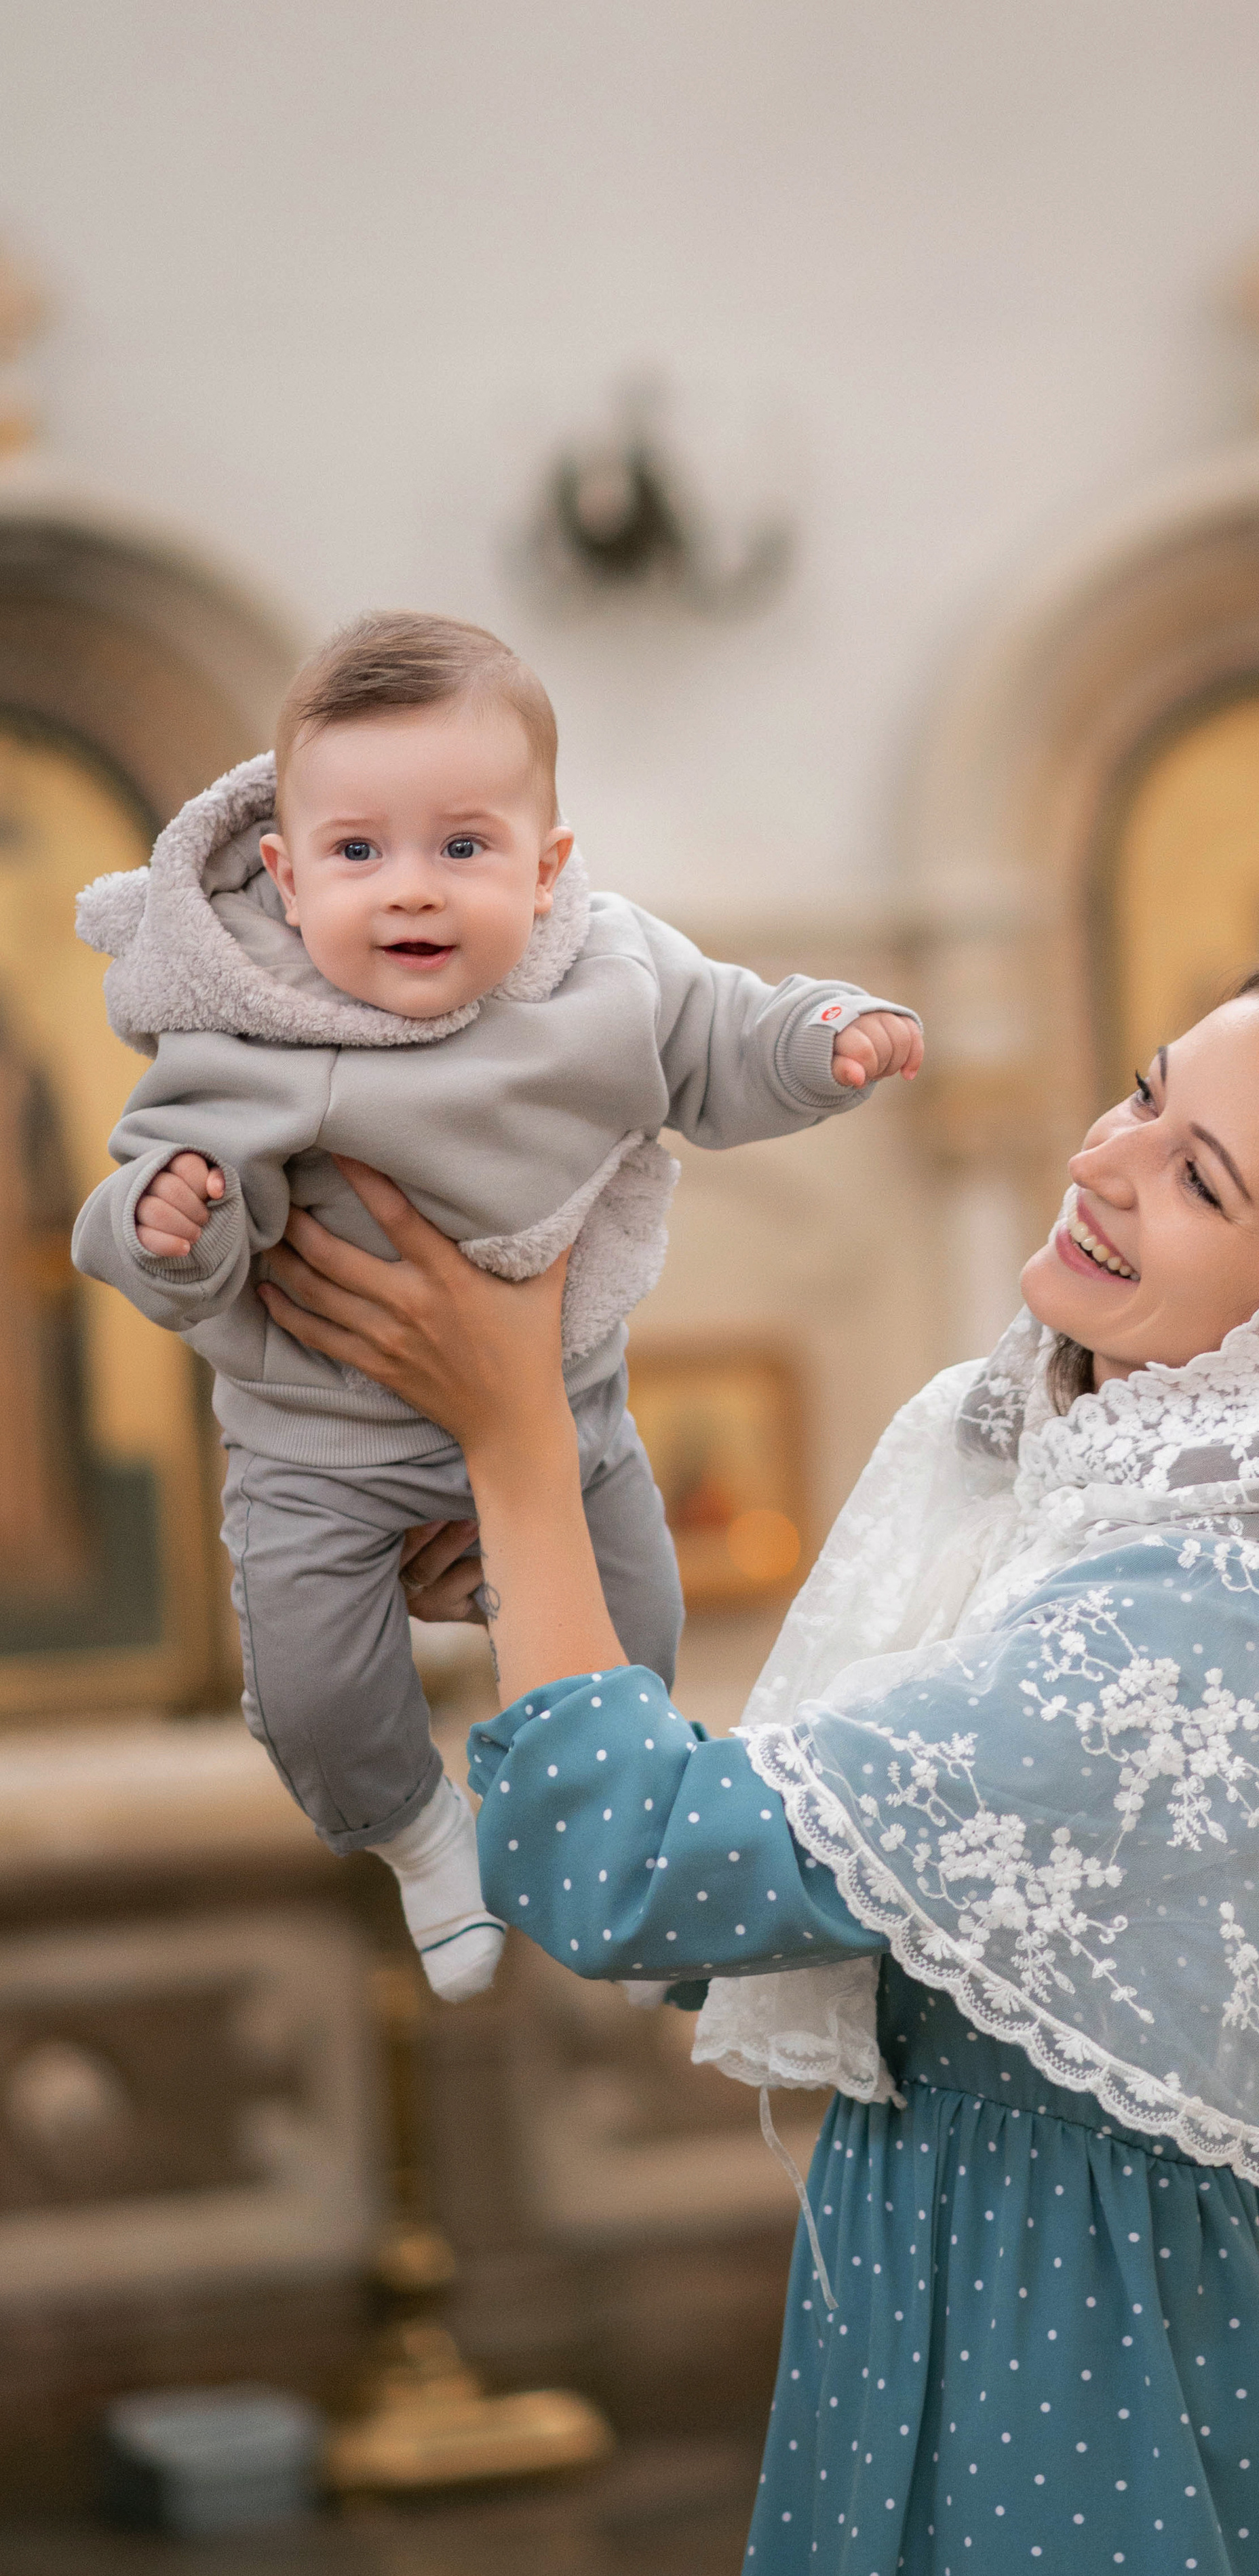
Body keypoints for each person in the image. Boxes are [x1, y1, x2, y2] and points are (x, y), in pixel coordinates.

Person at [254, 957, 1259, 2576]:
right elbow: (776, 1890)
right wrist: (534, 1557)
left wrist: (519, 1445)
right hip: (958, 2284)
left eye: (1198, 1176)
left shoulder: (1203, 1614)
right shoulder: (1055, 1481)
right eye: (1148, 1092)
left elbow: (642, 1871)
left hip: (1065, 2353)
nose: (1107, 1158)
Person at [69, 611, 922, 2000]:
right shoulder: (248, 1025)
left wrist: (823, 1042)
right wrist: (174, 1218)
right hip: (320, 1450)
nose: (410, 890)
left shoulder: (606, 970)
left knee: (633, 1635)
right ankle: (417, 1835)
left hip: (565, 1416)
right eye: (358, 852)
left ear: (547, 867)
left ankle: (636, 1855)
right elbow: (147, 1210)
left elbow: (722, 1039)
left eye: (461, 847)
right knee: (314, 1695)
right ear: (284, 876)